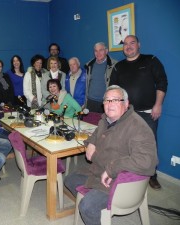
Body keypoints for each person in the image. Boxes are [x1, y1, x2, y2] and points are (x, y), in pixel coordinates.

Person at [65, 85, 158, 225]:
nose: (109, 104)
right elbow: (96, 135)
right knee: (69, 180)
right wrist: (90, 142)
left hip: (119, 180)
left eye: (115, 100)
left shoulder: (137, 127)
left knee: (88, 207)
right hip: (98, 171)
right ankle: (95, 207)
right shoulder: (106, 120)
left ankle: (92, 208)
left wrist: (112, 168)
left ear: (126, 104)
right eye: (107, 100)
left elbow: (147, 161)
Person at [109, 35, 168, 190]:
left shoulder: (151, 60)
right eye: (125, 44)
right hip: (125, 115)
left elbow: (162, 81)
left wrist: (158, 105)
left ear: (139, 45)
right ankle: (125, 172)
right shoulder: (118, 67)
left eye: (132, 43)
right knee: (123, 145)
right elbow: (113, 90)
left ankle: (152, 176)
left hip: (148, 113)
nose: (128, 46)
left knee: (148, 146)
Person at [84, 42, 117, 113]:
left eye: (101, 50)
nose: (98, 53)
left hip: (105, 102)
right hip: (90, 102)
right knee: (90, 123)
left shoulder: (114, 65)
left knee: (104, 123)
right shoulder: (89, 65)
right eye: (96, 51)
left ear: (106, 51)